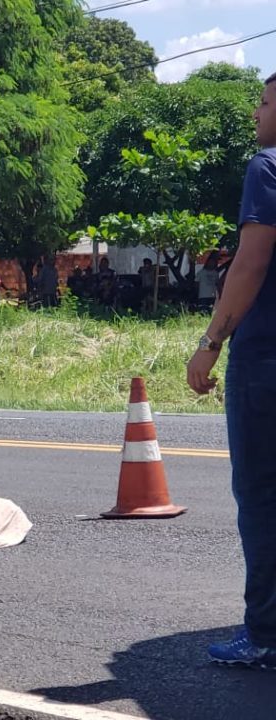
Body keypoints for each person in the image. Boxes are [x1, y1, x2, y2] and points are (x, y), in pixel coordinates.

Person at [186, 70, 276, 669]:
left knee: (264, 496)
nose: (256, 111)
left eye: (265, 101)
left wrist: (211, 339)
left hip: (266, 358)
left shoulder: (266, 167)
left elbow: (250, 263)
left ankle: (266, 634)